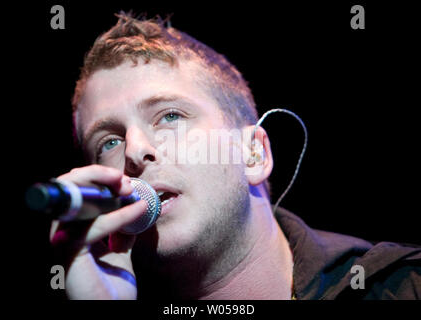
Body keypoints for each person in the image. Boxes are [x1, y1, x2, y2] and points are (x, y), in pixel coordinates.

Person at [50, 12, 420, 300]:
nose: (134, 150)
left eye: (170, 116)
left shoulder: (405, 285)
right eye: (109, 142)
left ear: (254, 153)